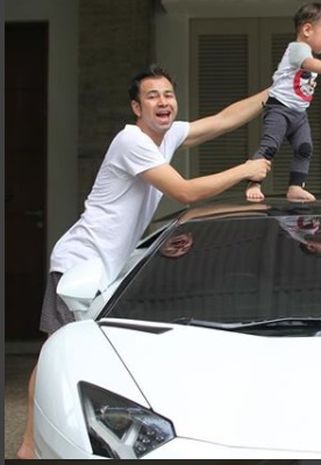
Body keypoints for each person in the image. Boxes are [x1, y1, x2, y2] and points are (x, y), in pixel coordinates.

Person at [15, 64, 271, 459]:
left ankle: (32, 445)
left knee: (64, 351)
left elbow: (221, 121)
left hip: (107, 267)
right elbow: (185, 192)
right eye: (153, 96)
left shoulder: (164, 138)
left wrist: (273, 92)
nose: (163, 102)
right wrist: (244, 170)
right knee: (59, 353)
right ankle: (31, 446)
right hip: (81, 265)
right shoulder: (132, 141)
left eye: (168, 94)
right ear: (137, 107)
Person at [245, 2, 321, 203]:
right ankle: (254, 182)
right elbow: (307, 63)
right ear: (307, 29)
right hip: (279, 109)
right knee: (270, 146)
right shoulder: (297, 49)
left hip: (299, 114)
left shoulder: (309, 53)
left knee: (305, 148)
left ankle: (295, 186)